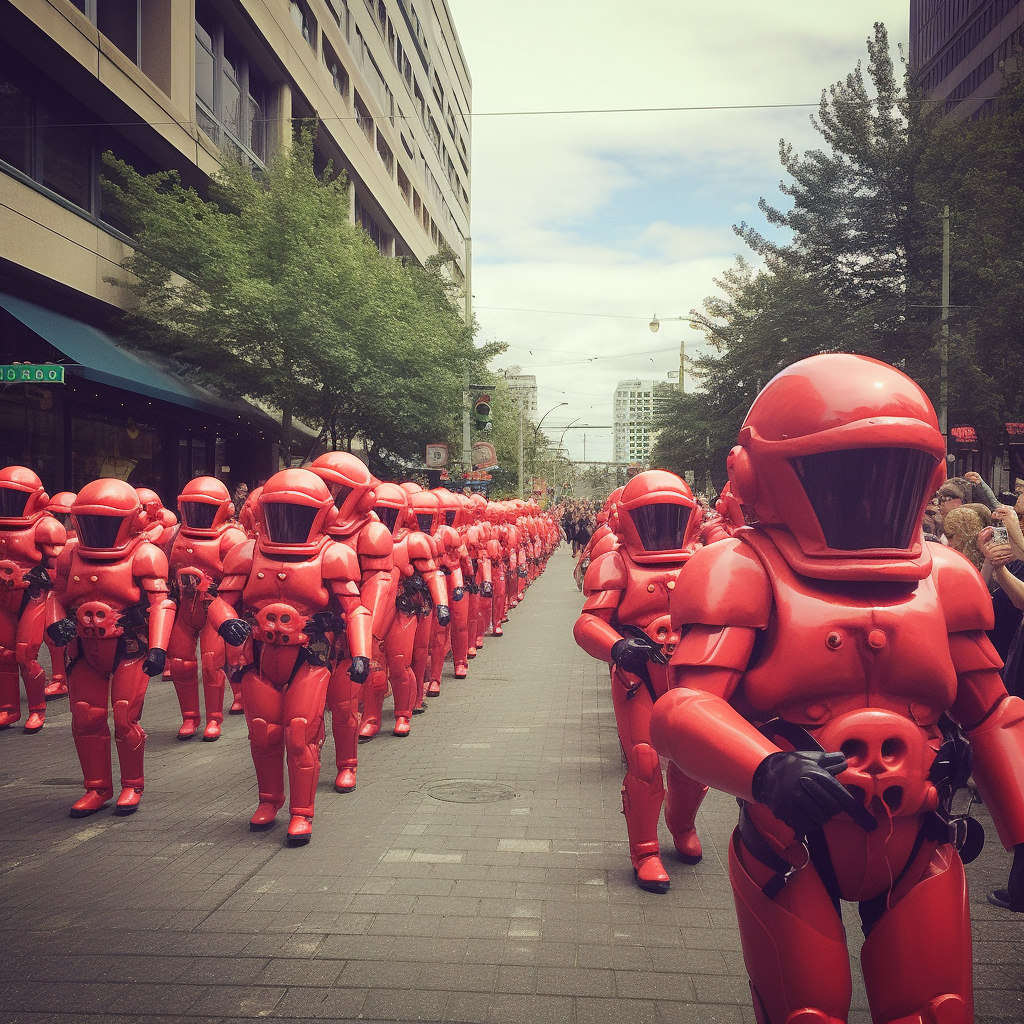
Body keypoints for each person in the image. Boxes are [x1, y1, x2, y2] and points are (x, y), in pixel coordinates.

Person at [651, 353, 1024, 1023]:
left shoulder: (946, 576)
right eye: (841, 472)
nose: (864, 491)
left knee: (936, 1010)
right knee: (807, 1013)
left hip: (919, 832)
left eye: (885, 470)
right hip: (791, 840)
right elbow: (684, 711)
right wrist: (767, 770)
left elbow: (994, 712)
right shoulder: (738, 569)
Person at [574, 471, 709, 893]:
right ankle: (645, 850)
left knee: (696, 759)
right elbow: (589, 623)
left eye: (669, 516)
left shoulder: (709, 558)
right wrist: (617, 648)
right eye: (650, 516)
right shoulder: (614, 562)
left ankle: (682, 824)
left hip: (692, 673)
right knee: (645, 761)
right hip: (639, 676)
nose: (659, 526)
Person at [47, 479, 175, 815]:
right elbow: (56, 597)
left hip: (129, 648)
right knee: (86, 717)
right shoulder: (70, 555)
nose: (98, 528)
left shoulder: (145, 554)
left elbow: (161, 603)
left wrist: (159, 647)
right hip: (85, 648)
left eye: (106, 520)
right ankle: (97, 787)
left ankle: (133, 784)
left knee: (124, 716)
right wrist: (56, 623)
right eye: (90, 520)